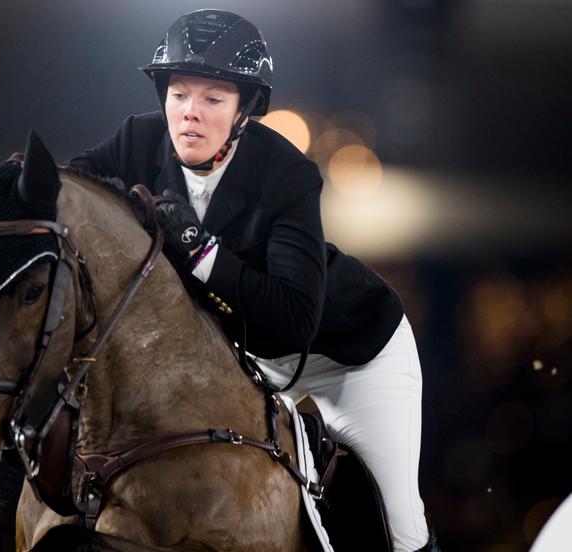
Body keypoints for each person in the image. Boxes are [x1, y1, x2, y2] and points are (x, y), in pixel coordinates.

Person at [68, 9, 437, 552]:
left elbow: (293, 320)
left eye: (213, 99)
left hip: (350, 357)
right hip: (246, 360)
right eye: (178, 94)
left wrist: (201, 251)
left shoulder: (288, 176)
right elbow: (64, 197)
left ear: (245, 111)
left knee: (400, 528)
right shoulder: (136, 141)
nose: (189, 115)